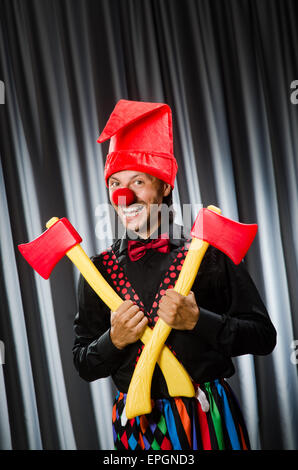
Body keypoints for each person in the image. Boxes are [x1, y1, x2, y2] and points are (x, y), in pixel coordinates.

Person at [72, 99, 276, 450]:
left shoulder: (209, 253)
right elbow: (84, 363)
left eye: (138, 181)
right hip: (137, 426)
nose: (124, 195)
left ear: (165, 186)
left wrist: (200, 321)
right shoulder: (97, 270)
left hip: (208, 415)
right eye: (115, 182)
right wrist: (113, 339)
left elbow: (263, 337)